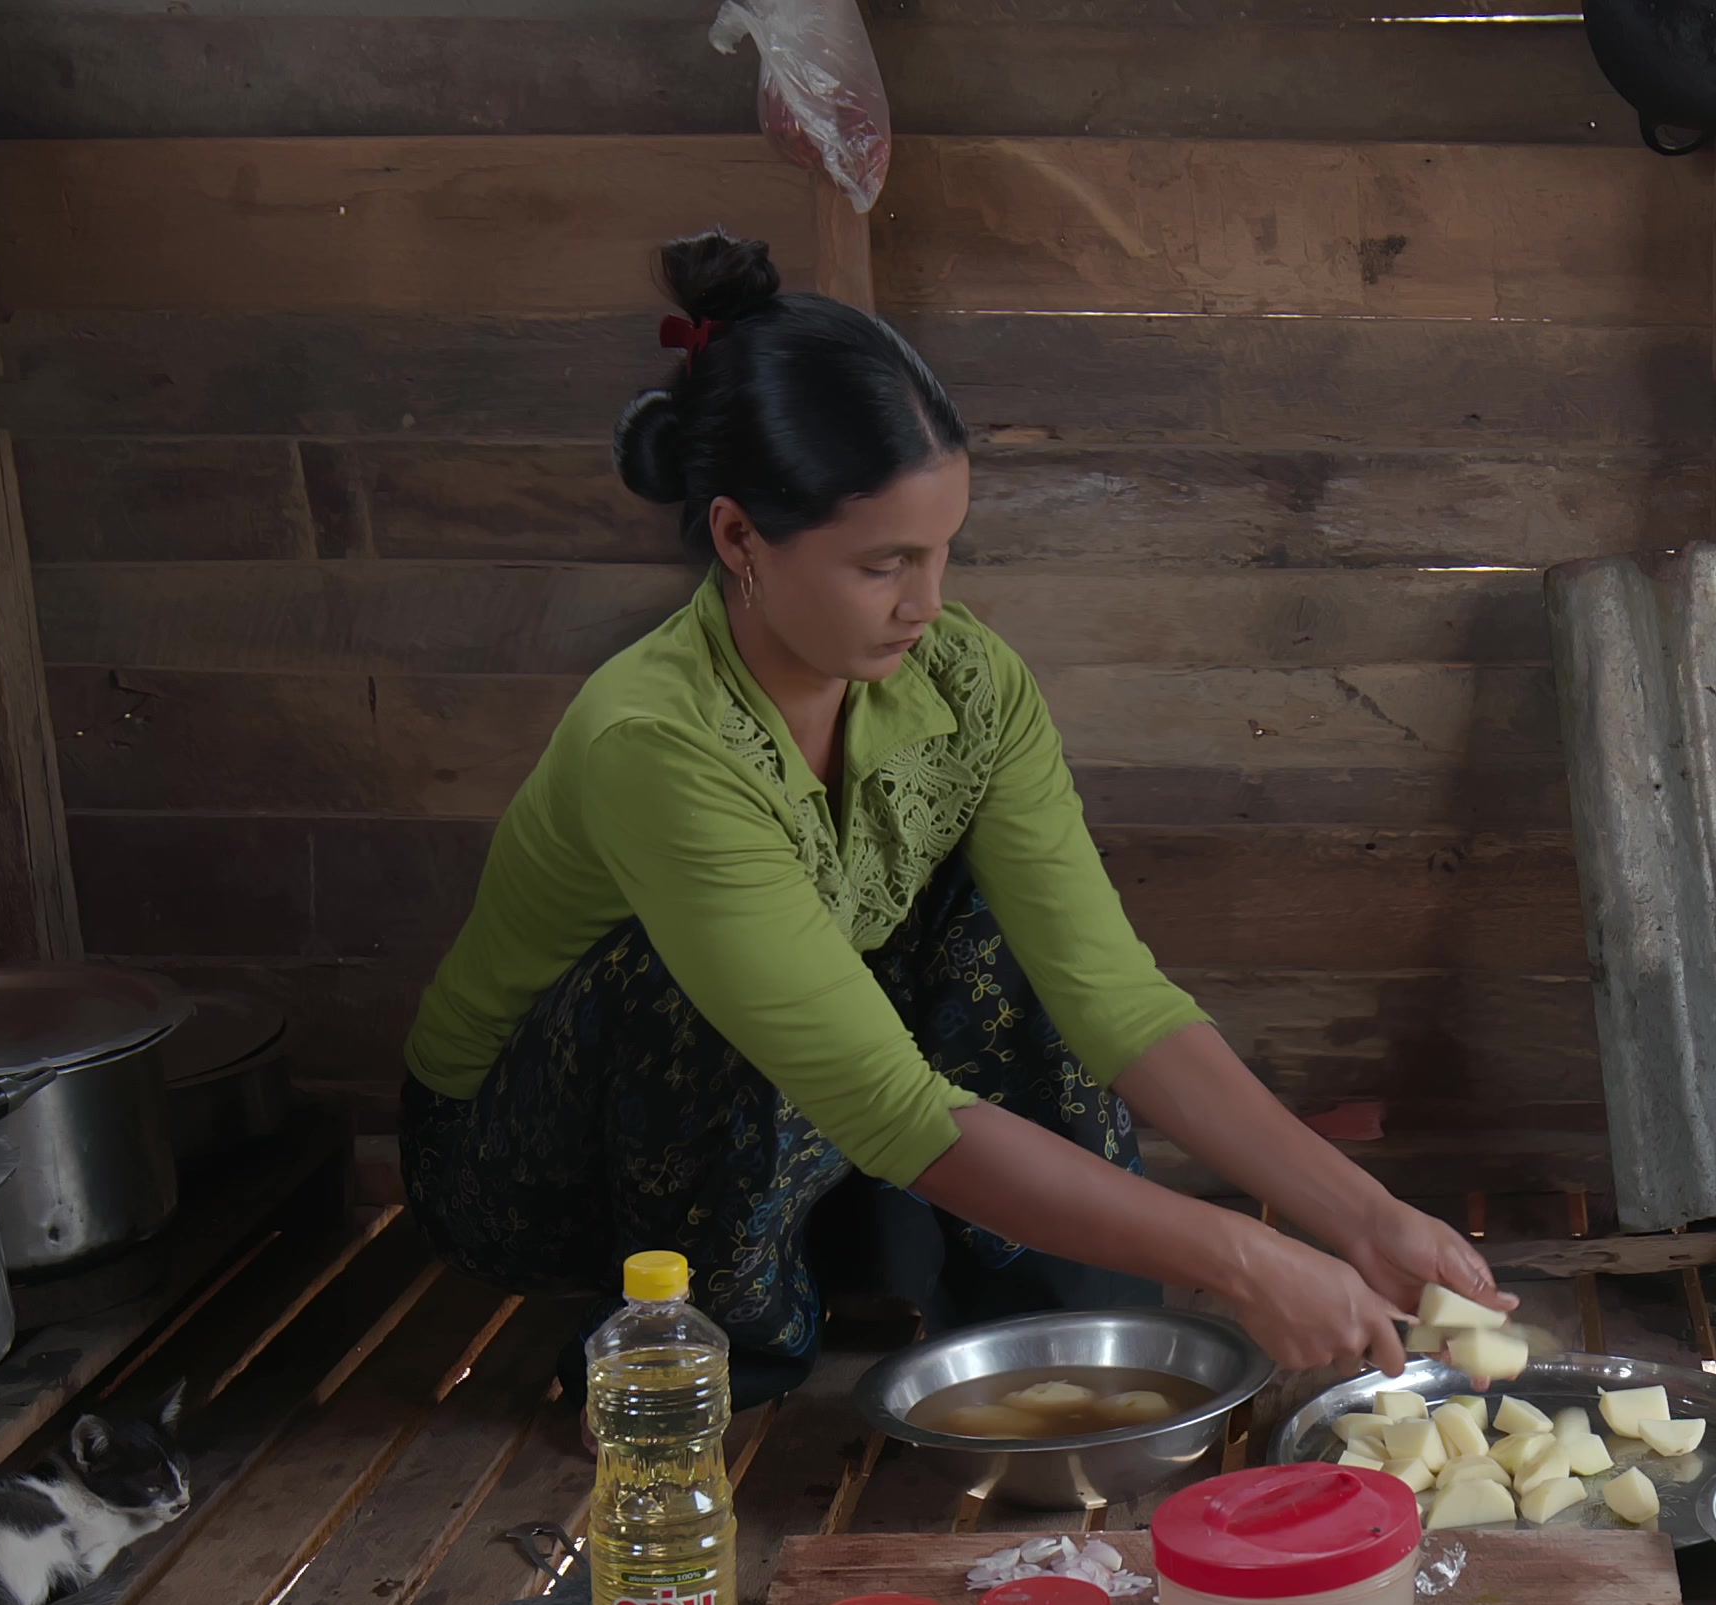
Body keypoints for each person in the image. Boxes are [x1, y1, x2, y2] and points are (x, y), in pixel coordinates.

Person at [398, 229, 1503, 1402]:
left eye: (943, 555)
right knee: (698, 979)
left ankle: (1028, 1310)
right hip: (536, 1168)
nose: (927, 603)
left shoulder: (966, 683)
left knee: (998, 922)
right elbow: (878, 1099)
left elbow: (1112, 995)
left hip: (803, 1130)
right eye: (883, 565)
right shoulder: (658, 743)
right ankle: (696, 1348)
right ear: (739, 539)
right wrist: (1242, 1255)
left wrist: (1362, 1216)